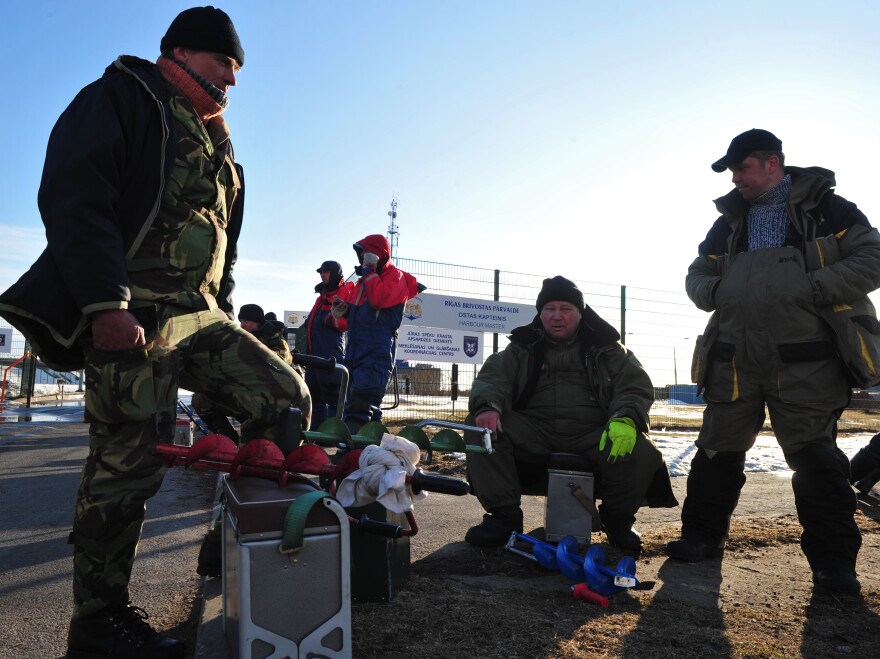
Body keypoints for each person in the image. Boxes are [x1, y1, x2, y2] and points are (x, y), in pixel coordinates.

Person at [0, 8, 310, 658]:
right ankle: (99, 621)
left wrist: (227, 315)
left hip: (197, 316)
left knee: (282, 396)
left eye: (237, 69)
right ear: (181, 53)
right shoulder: (123, 97)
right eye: (223, 62)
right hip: (130, 312)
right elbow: (73, 196)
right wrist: (104, 304)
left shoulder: (223, 150)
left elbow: (222, 250)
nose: (231, 77)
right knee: (127, 464)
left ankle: (235, 538)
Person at [666, 129, 880, 596]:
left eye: (742, 168)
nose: (736, 178)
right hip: (734, 358)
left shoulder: (828, 209)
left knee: (816, 461)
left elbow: (873, 256)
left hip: (807, 359)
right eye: (733, 171)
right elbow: (697, 272)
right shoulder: (729, 222)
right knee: (717, 450)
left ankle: (833, 563)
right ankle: (701, 536)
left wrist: (813, 287)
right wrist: (718, 290)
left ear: (772, 164)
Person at [464, 276, 677, 552]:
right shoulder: (521, 347)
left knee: (642, 450)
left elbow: (634, 387)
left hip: (593, 434)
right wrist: (487, 407)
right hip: (534, 431)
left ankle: (618, 521)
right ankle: (504, 518)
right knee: (478, 430)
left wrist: (625, 417)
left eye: (566, 309)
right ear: (540, 314)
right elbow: (493, 379)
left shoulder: (609, 350)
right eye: (549, 309)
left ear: (580, 312)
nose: (556, 316)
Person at [332, 235, 422, 429]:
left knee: (360, 407)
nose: (361, 257)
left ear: (379, 254)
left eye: (365, 252)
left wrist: (369, 271)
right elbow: (366, 317)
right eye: (360, 253)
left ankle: (354, 454)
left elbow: (379, 300)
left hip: (375, 355)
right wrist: (346, 311)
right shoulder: (365, 281)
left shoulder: (395, 277)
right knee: (363, 408)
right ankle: (368, 453)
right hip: (356, 352)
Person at [190, 302, 294, 442]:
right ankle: (228, 440)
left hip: (268, 399)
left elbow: (279, 371)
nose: (242, 325)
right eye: (241, 321)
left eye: (246, 321)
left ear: (257, 322)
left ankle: (254, 439)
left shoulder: (276, 342)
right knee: (200, 399)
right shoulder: (240, 340)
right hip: (243, 393)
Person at [305, 261, 351, 427]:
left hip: (331, 356)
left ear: (335, 273)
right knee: (314, 397)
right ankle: (317, 435)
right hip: (313, 357)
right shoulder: (321, 297)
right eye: (321, 272)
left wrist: (328, 320)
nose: (323, 275)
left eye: (326, 272)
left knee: (335, 399)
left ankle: (333, 434)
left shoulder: (344, 291)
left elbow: (346, 322)